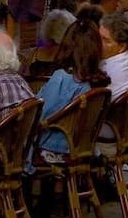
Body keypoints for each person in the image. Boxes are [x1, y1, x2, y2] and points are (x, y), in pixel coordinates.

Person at [34, 18, 109, 164]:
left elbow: (42, 115)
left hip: (54, 147)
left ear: (68, 46)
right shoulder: (97, 82)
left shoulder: (61, 78)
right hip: (84, 147)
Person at [98, 13, 128, 100]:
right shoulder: (127, 59)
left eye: (106, 40)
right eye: (98, 37)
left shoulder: (111, 68)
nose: (98, 42)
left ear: (122, 47)